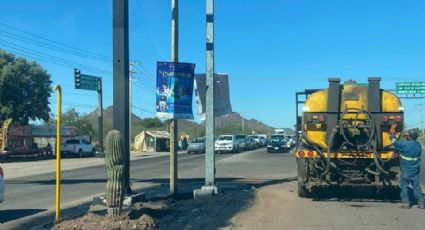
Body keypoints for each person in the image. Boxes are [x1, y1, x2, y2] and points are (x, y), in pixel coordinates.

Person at [390, 124, 424, 209]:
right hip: (415, 171)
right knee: (416, 187)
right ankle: (421, 203)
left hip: (405, 171)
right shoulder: (418, 145)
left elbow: (393, 140)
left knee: (404, 186)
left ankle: (406, 203)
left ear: (410, 137)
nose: (406, 137)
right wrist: (400, 152)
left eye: (407, 136)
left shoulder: (404, 144)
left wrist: (392, 129)